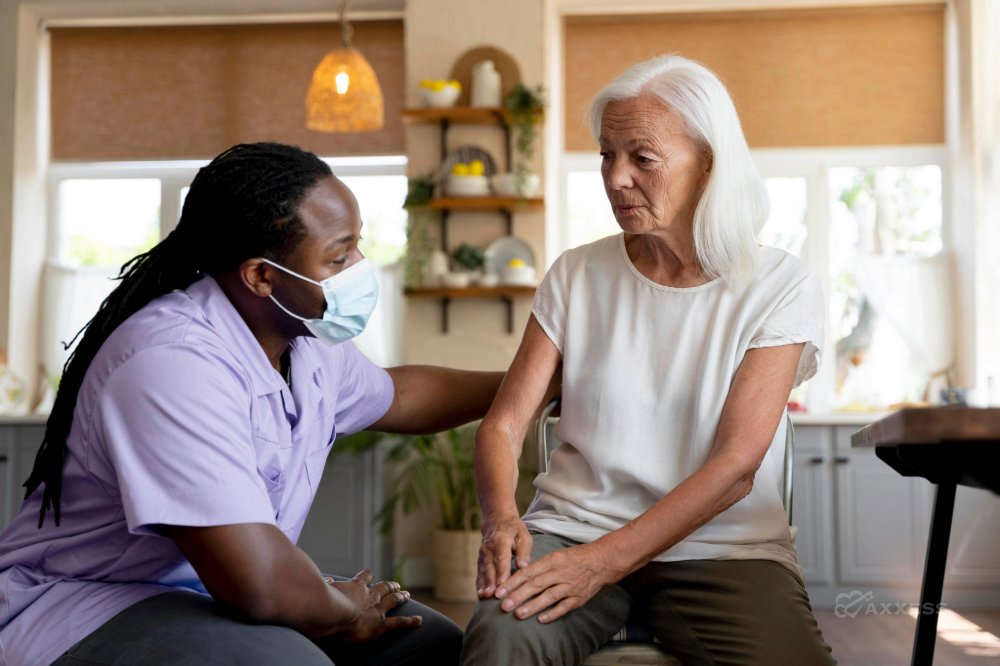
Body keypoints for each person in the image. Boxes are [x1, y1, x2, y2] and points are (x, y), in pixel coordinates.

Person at [0, 143, 505, 666]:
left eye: (358, 247)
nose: (360, 268)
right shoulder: (172, 361)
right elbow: (261, 584)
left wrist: (539, 384)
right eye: (339, 257)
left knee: (430, 644)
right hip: (94, 602)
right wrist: (343, 611)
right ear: (261, 276)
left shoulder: (305, 345)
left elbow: (401, 396)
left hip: (211, 594)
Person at [462, 55, 837, 666]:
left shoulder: (779, 285)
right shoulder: (577, 274)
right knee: (499, 646)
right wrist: (500, 519)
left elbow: (736, 468)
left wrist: (603, 564)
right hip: (572, 529)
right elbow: (504, 424)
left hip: (719, 548)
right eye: (606, 155)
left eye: (642, 157)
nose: (615, 178)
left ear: (708, 164)